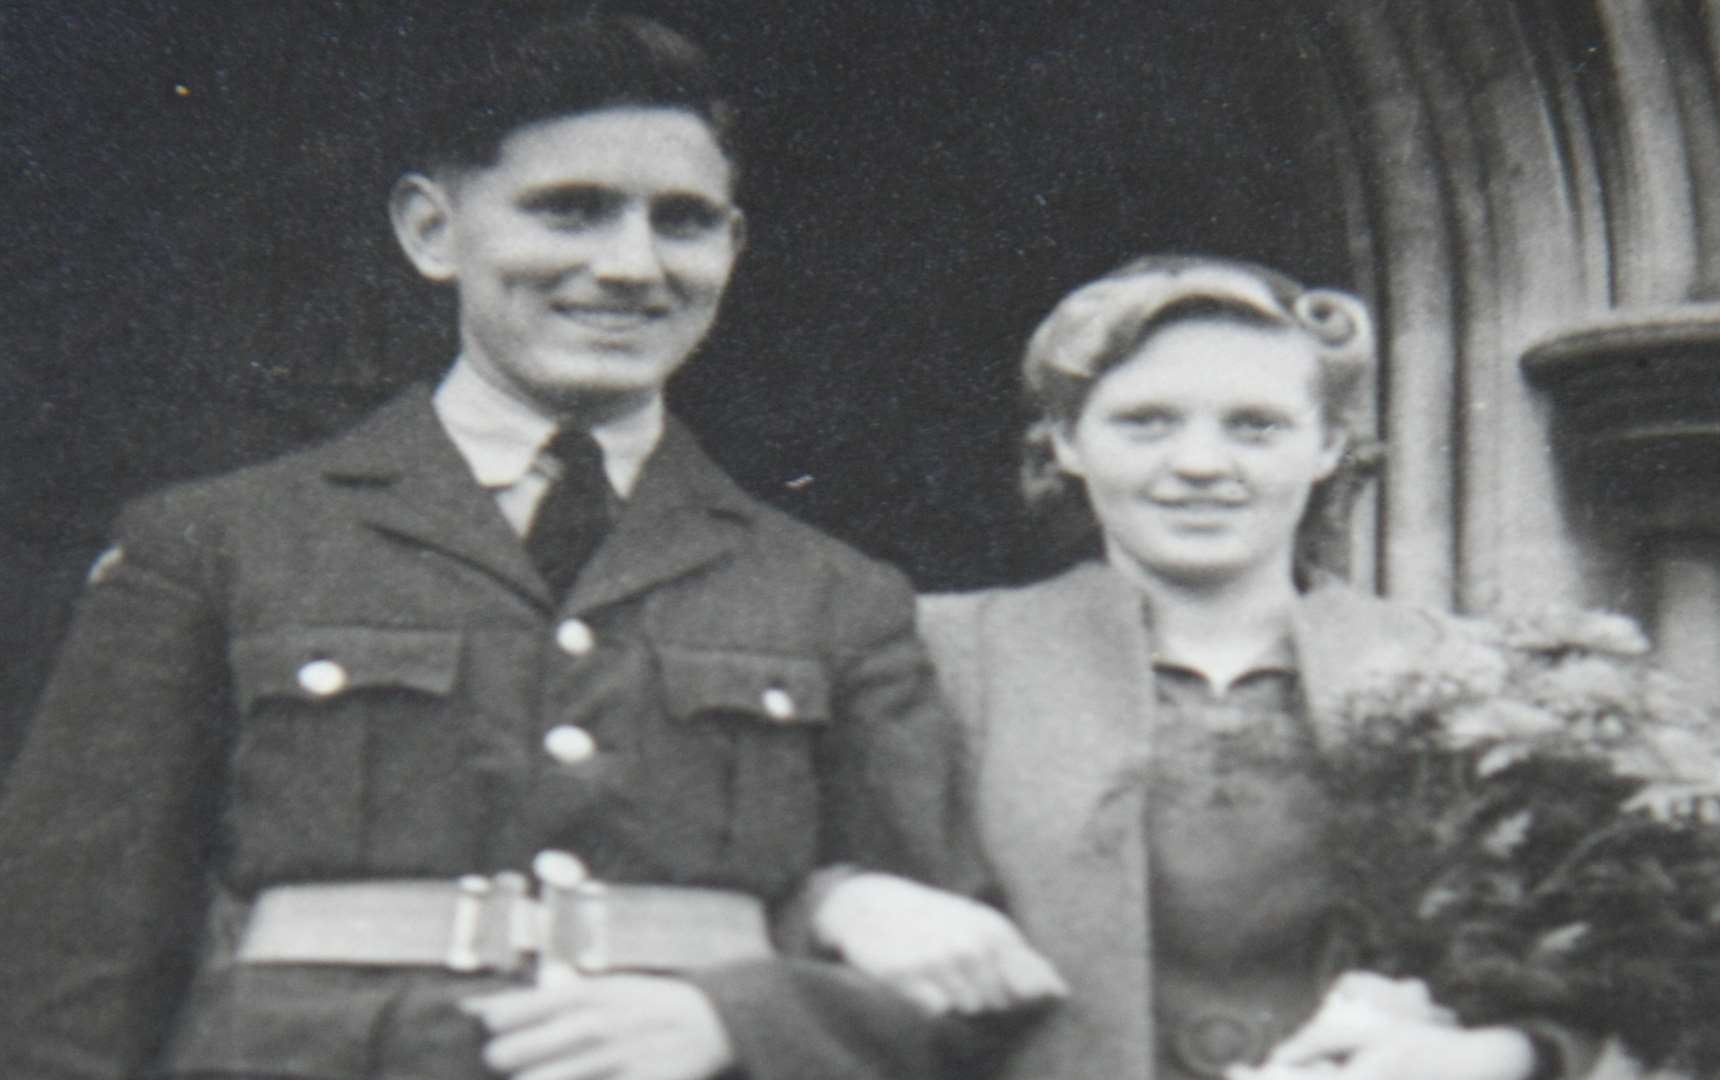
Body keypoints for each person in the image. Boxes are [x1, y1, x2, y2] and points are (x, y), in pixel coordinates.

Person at [0, 14, 1058, 1080]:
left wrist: (742, 1021)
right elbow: (64, 967)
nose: (630, 266)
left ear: (732, 250)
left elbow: (967, 987)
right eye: (572, 211)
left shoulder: (832, 595)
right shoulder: (218, 547)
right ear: (431, 231)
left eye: (682, 223)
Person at [917, 255, 1611, 1080]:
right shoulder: (946, 655)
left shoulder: (1466, 674)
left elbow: (1603, 984)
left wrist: (1484, 1057)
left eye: (1256, 425)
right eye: (1146, 422)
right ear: (1067, 441)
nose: (1202, 463)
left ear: (1328, 447)